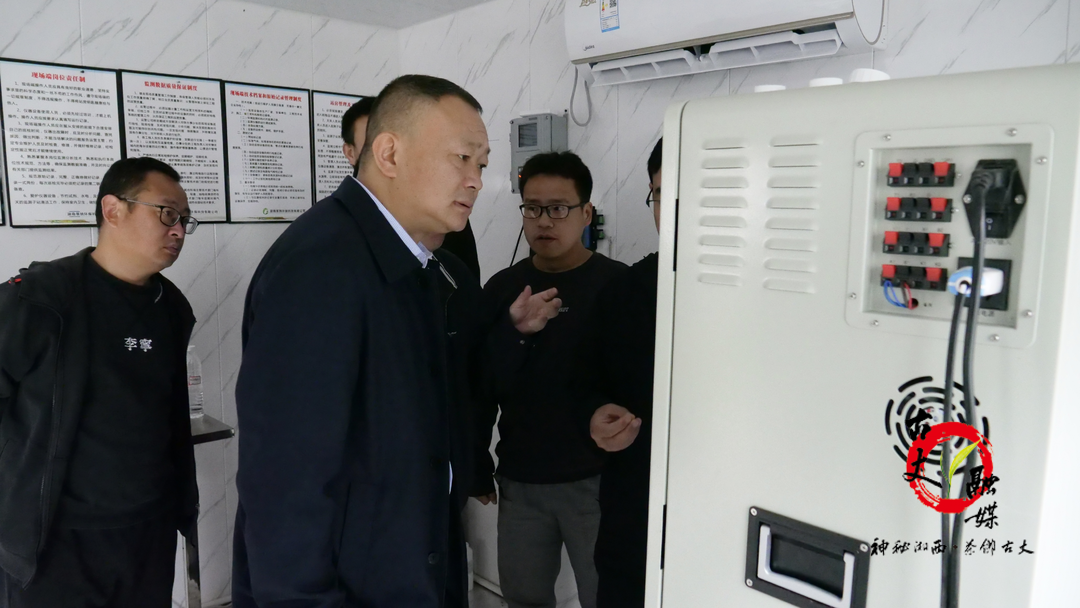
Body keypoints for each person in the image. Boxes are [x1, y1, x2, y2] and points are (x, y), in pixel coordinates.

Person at [233, 74, 490, 608]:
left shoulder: (412, 262)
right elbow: (286, 479)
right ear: (390, 153)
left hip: (404, 565)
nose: (475, 181)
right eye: (462, 158)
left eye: (481, 165)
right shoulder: (321, 266)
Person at [0, 157, 200, 608]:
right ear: (113, 210)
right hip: (54, 542)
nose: (178, 231)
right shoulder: (39, 298)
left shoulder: (172, 308)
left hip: (146, 533)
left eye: (185, 220)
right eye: (167, 213)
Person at [472, 151, 627, 608]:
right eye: (533, 208)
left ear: (586, 213)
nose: (544, 221)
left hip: (598, 481)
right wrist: (476, 462)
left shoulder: (620, 287)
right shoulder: (502, 289)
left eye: (558, 208)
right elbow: (480, 384)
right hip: (522, 480)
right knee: (523, 597)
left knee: (607, 597)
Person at [588, 138, 664, 608]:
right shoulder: (625, 292)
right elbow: (586, 381)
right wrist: (594, 415)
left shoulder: (773, 295)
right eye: (661, 194)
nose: (673, 209)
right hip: (636, 508)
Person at [343, 96, 482, 279]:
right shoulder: (337, 227)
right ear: (350, 153)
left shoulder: (443, 206)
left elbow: (467, 281)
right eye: (371, 144)